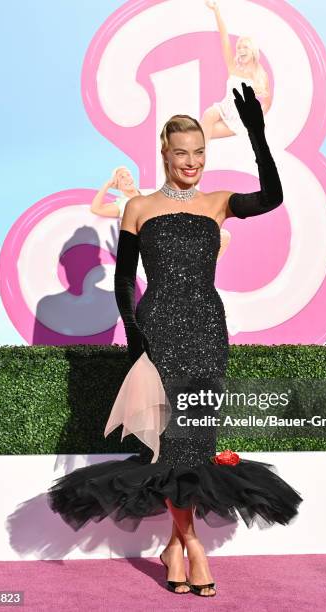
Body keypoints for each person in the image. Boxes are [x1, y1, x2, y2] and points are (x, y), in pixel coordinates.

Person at [47, 82, 303, 597]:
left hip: (208, 332)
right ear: (164, 153)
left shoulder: (217, 203)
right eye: (181, 152)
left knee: (197, 441)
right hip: (158, 331)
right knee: (169, 447)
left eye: (199, 153)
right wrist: (136, 338)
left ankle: (173, 544)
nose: (191, 162)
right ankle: (194, 548)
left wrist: (256, 131)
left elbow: (273, 197)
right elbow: (123, 282)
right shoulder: (137, 207)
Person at [201, 0, 272, 143]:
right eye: (239, 47)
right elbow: (224, 38)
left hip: (239, 119)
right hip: (223, 108)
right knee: (208, 114)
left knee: (200, 133)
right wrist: (216, 11)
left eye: (245, 47)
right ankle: (198, 161)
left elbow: (267, 103)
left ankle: (197, 161)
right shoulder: (233, 67)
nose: (240, 50)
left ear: (253, 51)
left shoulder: (260, 75)